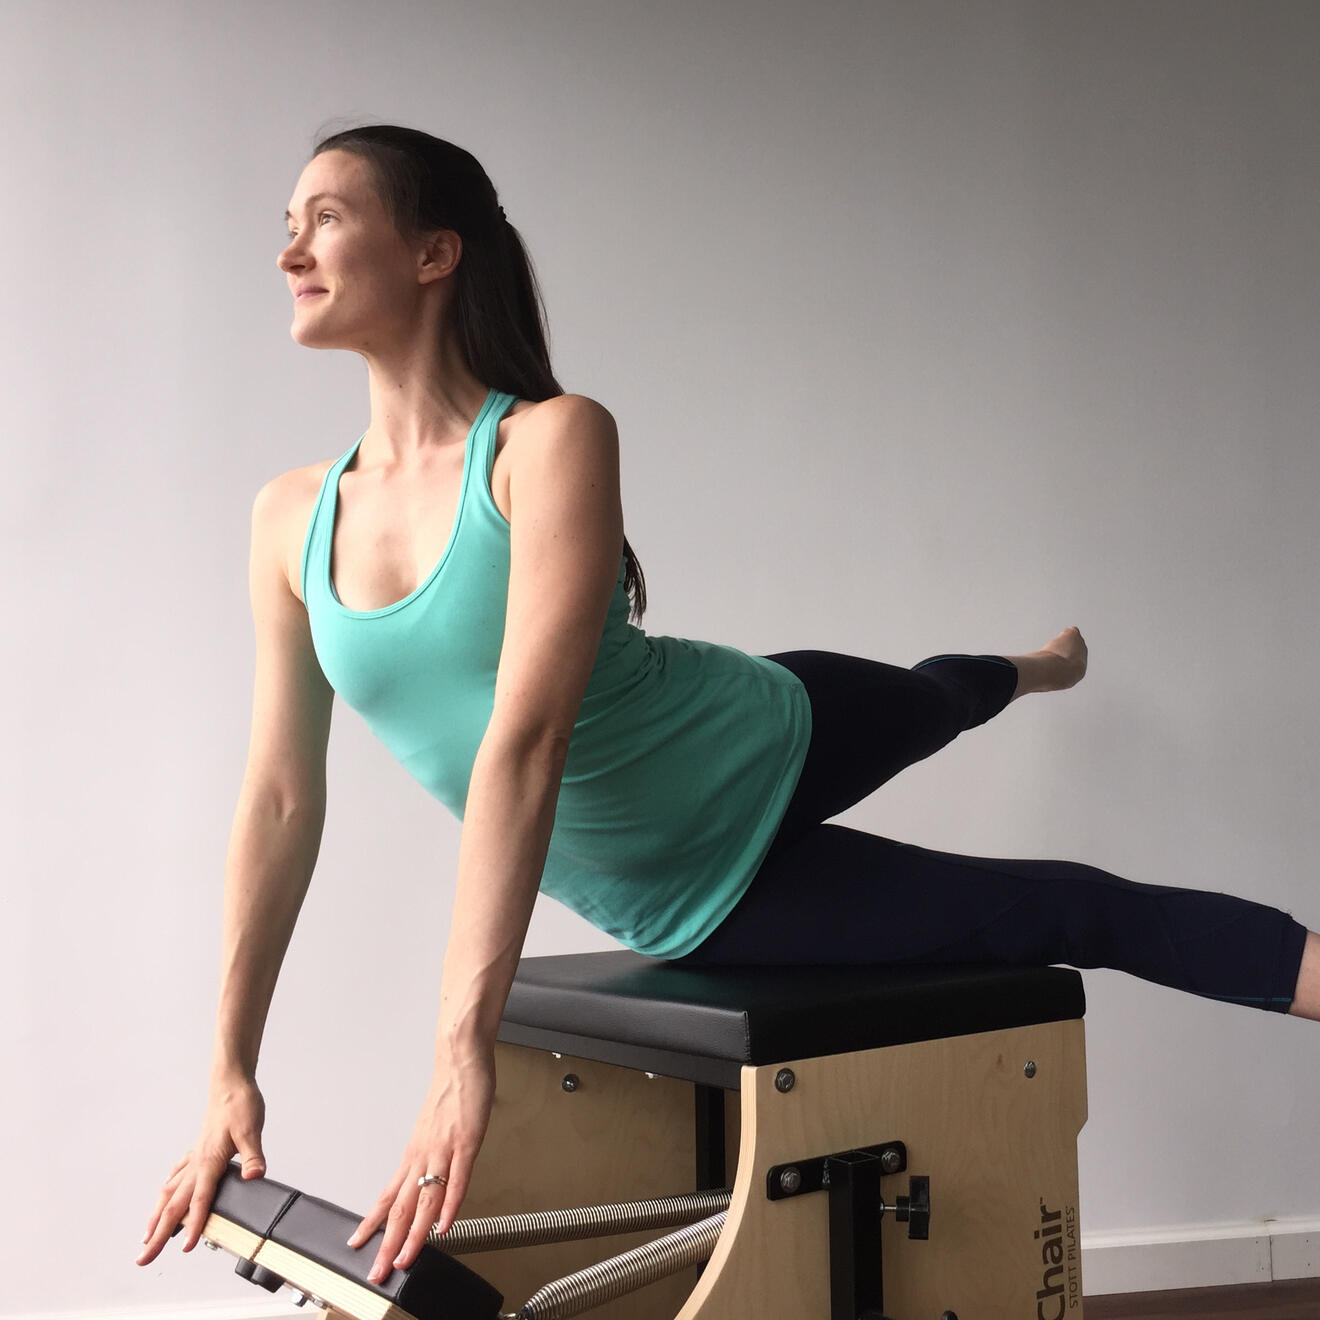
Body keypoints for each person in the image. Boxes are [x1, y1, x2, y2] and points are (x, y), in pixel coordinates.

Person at [135, 123, 1320, 1291]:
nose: (289, 250)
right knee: (1070, 906)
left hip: (768, 730)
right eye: (287, 225)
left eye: (326, 218)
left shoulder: (549, 441)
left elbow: (526, 743)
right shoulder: (290, 517)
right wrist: (229, 1065)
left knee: (933, 696)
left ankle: (1033, 668)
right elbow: (280, 797)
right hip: (700, 896)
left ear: (434, 253)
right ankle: (1019, 681)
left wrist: (460, 1049)